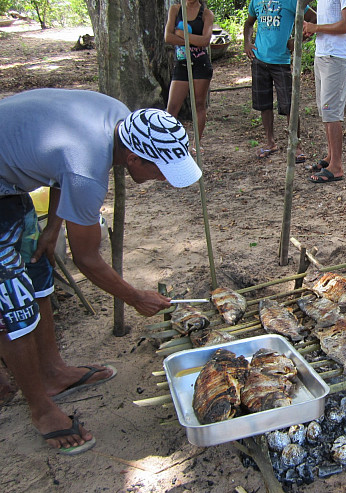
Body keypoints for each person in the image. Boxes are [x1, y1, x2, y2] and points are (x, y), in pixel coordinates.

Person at [0, 88, 202, 454]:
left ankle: (52, 372)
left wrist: (52, 228)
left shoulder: (122, 119)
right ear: (133, 159)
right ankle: (41, 409)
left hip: (10, 178)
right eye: (160, 171)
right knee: (12, 304)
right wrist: (135, 297)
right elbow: (86, 259)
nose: (164, 180)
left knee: (38, 274)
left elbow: (60, 164)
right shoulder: (88, 170)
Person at [243, 0, 314, 162]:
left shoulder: (291, 2)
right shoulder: (256, 2)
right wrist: (247, 42)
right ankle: (270, 142)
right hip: (259, 59)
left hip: (281, 61)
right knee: (264, 104)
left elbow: (313, 18)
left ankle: (296, 146)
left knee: (289, 104)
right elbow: (249, 23)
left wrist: (297, 40)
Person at [303, 0, 346, 183]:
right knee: (324, 109)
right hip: (323, 53)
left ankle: (337, 166)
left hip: (335, 55)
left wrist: (316, 27)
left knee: (331, 111)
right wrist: (314, 28)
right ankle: (330, 157)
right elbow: (329, 18)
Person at [165, 0, 214, 152]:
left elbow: (205, 41)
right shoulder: (175, 10)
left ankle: (196, 144)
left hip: (201, 64)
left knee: (199, 104)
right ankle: (169, 142)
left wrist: (181, 34)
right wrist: (193, 39)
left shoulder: (206, 14)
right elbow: (168, 37)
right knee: (172, 107)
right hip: (182, 64)